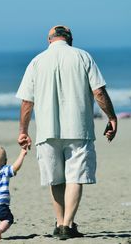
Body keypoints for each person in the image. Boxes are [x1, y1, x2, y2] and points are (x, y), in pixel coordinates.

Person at [16, 25, 117, 240]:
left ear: (49, 39)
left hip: (46, 130)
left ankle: (61, 222)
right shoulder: (82, 56)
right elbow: (98, 91)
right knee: (75, 177)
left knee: (56, 178)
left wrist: (23, 131)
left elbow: (27, 101)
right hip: (78, 128)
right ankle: (68, 224)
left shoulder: (37, 61)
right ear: (70, 39)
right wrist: (111, 117)